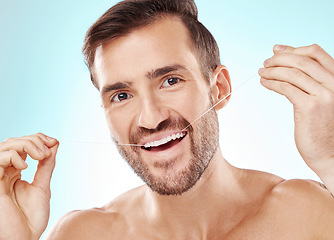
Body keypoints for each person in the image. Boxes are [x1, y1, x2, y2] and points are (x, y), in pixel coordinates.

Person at [1, 0, 334, 239]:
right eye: (121, 95)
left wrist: (330, 159)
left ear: (218, 88)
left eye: (170, 80)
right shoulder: (82, 235)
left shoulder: (305, 213)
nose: (150, 118)